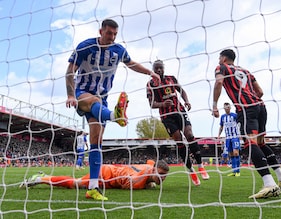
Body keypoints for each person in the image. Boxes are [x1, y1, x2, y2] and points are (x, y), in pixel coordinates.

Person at [65, 19, 160, 201]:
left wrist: (149, 72)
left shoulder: (118, 50)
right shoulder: (86, 46)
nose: (112, 37)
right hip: (82, 93)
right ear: (101, 31)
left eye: (115, 34)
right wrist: (70, 95)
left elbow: (131, 63)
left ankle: (93, 188)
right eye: (109, 33)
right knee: (93, 100)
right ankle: (114, 116)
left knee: (96, 142)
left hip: (103, 99)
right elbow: (70, 71)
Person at [212, 49, 281, 199]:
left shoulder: (221, 67)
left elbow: (219, 82)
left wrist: (215, 106)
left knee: (250, 144)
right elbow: (260, 91)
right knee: (260, 144)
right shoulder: (245, 71)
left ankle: (270, 184)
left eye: (219, 57)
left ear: (223, 58)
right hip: (261, 107)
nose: (218, 60)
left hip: (246, 109)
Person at [146, 60, 209, 186]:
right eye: (156, 68)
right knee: (179, 140)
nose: (158, 70)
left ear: (163, 69)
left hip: (180, 111)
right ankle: (191, 170)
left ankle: (201, 166)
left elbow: (182, 91)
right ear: (153, 70)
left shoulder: (171, 79)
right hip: (166, 116)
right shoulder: (150, 84)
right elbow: (151, 104)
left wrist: (187, 101)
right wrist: (163, 104)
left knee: (190, 134)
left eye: (160, 68)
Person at [19, 160, 169, 190]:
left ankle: (44, 175)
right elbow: (127, 186)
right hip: (105, 175)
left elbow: (151, 161)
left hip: (110, 172)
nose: (163, 178)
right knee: (76, 184)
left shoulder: (150, 166)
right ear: (153, 170)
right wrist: (147, 180)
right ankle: (40, 179)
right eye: (161, 174)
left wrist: (152, 179)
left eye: (165, 176)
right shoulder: (137, 181)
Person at [218, 103, 241, 176]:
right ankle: (234, 171)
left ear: (230, 108)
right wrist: (219, 135)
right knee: (231, 154)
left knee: (236, 153)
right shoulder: (222, 117)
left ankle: (238, 171)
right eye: (225, 107)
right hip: (227, 138)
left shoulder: (235, 115)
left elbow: (240, 123)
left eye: (228, 107)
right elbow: (221, 126)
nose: (227, 108)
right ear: (224, 108)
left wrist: (240, 133)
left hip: (235, 136)